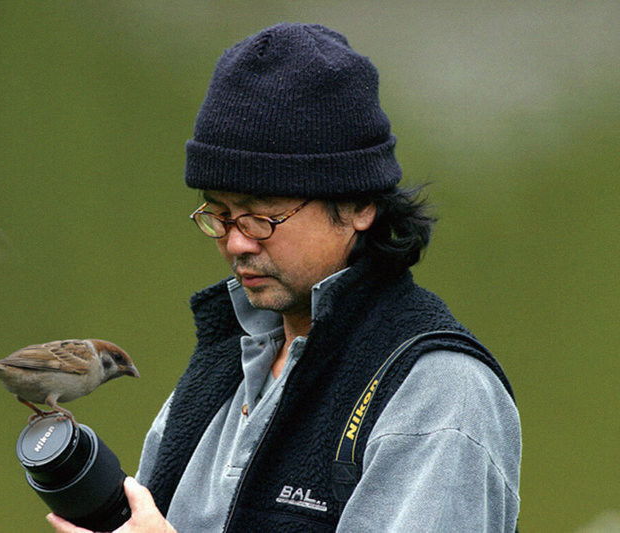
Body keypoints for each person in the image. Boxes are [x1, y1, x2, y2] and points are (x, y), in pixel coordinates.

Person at [47, 22, 521, 533]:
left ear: (360, 203)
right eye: (220, 215)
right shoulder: (227, 360)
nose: (235, 243)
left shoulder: (441, 394)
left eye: (262, 217)